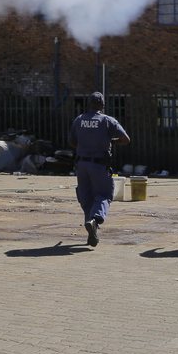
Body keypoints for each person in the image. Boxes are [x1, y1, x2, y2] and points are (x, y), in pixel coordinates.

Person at [69, 92, 130, 246]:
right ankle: (95, 219)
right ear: (102, 105)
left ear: (89, 104)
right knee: (104, 195)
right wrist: (111, 141)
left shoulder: (79, 120)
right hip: (99, 164)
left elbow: (72, 142)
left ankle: (92, 231)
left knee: (86, 198)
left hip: (81, 165)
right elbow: (126, 139)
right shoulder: (107, 121)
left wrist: (85, 146)